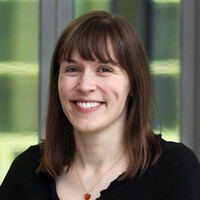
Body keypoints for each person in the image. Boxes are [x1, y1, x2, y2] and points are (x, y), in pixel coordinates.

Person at [0, 10, 200, 200]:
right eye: (72, 69)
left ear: (133, 84)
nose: (85, 85)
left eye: (104, 69)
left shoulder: (175, 170)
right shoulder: (26, 171)